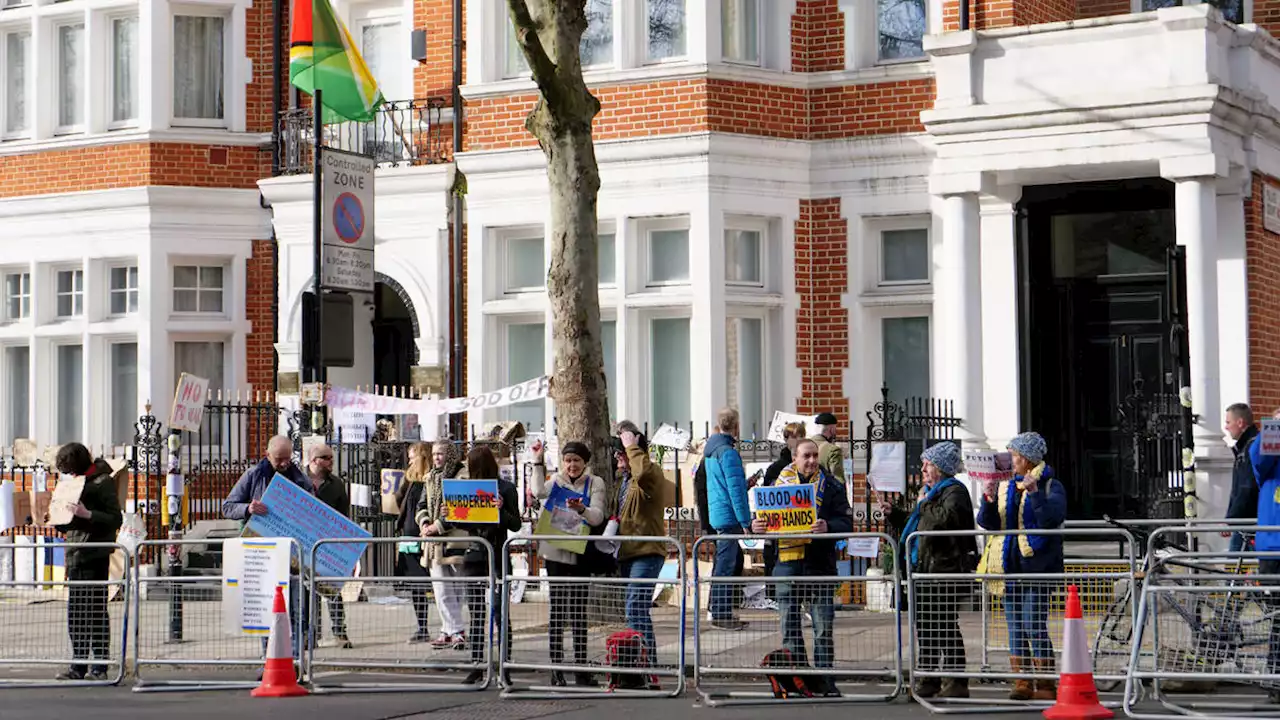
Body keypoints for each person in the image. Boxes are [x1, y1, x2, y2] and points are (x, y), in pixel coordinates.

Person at [752, 438, 852, 697]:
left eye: (814, 456)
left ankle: (826, 682)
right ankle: (799, 681)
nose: (811, 461)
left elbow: (846, 521)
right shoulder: (778, 486)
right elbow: (763, 520)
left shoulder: (831, 486)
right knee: (790, 628)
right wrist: (756, 527)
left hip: (819, 564)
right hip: (786, 563)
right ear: (794, 458)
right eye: (806, 456)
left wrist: (828, 526)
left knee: (823, 628)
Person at [882, 441, 977, 700]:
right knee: (925, 627)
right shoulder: (933, 492)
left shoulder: (954, 491)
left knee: (943, 626)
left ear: (941, 468)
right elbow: (922, 526)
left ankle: (956, 680)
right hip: (925, 569)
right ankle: (929, 679)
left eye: (929, 464)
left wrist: (923, 504)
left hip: (944, 570)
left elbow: (944, 521)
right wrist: (896, 514)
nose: (923, 468)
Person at [977, 432, 1067, 702]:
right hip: (1009, 564)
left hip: (1037, 565)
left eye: (1015, 455)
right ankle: (1022, 681)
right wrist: (988, 501)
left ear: (1027, 460)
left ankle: (1046, 683)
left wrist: (1035, 494)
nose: (1011, 460)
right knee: (1015, 625)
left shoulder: (1051, 484)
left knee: (1033, 623)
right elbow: (990, 524)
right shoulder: (1005, 485)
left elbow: (1050, 519)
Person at [221, 435, 313, 661]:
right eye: (278, 459)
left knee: (296, 612)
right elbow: (227, 507)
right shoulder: (254, 475)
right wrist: (248, 508)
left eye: (287, 459)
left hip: (292, 554)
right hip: (263, 555)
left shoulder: (300, 478)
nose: (283, 464)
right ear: (267, 454)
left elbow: (312, 508)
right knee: (267, 611)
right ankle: (271, 660)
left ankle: (296, 662)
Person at [532, 440, 606, 687]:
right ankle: (556, 669)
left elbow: (597, 517)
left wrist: (582, 509)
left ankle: (581, 670)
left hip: (579, 553)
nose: (571, 465)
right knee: (557, 612)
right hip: (555, 553)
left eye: (576, 460)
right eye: (567, 460)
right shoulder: (557, 481)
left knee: (578, 613)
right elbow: (537, 491)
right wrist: (537, 461)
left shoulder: (595, 483)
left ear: (585, 462)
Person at [53, 443, 124, 681]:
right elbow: (69, 523)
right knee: (76, 613)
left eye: (71, 470)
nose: (70, 475)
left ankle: (100, 666)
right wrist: (56, 517)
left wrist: (88, 514)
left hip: (95, 553)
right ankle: (78, 665)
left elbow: (115, 518)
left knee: (94, 611)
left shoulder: (102, 482)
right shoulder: (72, 483)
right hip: (75, 553)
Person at [455, 445, 522, 685]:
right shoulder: (467, 489)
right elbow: (464, 523)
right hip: (475, 554)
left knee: (499, 613)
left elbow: (515, 524)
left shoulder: (506, 489)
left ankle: (505, 667)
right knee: (477, 613)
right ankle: (477, 665)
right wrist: (451, 513)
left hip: (497, 553)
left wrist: (501, 509)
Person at [615, 421, 668, 668]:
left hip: (647, 551)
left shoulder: (651, 473)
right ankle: (640, 662)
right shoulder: (624, 481)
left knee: (635, 607)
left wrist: (632, 447)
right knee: (635, 610)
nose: (618, 459)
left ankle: (646, 665)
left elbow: (643, 473)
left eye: (621, 454)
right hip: (628, 552)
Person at [414, 440, 468, 650]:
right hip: (434, 543)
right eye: (434, 453)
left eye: (441, 453)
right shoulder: (430, 477)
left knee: (456, 589)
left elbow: (460, 508)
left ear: (450, 455)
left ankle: (453, 630)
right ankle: (452, 631)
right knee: (441, 589)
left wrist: (438, 526)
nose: (436, 457)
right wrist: (425, 522)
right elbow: (421, 505)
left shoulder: (461, 476)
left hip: (454, 540)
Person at [704, 407, 751, 631]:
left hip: (718, 512)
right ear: (736, 426)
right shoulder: (728, 452)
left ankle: (717, 609)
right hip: (729, 515)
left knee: (722, 564)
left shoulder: (712, 451)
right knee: (726, 565)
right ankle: (720, 612)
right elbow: (735, 491)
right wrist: (746, 521)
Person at [306, 443, 352, 649]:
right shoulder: (298, 480)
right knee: (306, 593)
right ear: (314, 460)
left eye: (332, 458)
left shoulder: (336, 484)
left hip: (327, 544)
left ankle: (340, 632)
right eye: (326, 458)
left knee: (332, 590)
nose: (331, 462)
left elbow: (344, 516)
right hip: (303, 544)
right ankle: (310, 634)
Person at [1251, 407, 1280, 703]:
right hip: (1274, 545)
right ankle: (1277, 677)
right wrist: (1274, 428)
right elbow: (1259, 463)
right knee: (1279, 617)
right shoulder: (1270, 451)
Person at [760, 422, 808, 596]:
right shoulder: (776, 468)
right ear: (786, 439)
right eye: (793, 436)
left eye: (800, 436)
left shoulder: (812, 467)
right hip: (782, 526)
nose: (797, 440)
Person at [394, 442, 435, 644]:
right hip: (409, 537)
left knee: (436, 584)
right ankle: (422, 627)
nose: (409, 461)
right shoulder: (409, 481)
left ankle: (452, 629)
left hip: (426, 537)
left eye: (413, 457)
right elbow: (399, 501)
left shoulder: (431, 481)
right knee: (416, 586)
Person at [1224, 403, 1259, 552]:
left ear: (1240, 422)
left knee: (1234, 567)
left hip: (1247, 521)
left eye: (1228, 422)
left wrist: (1231, 519)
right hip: (1247, 519)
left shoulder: (1250, 448)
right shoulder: (1246, 447)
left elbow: (1246, 487)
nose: (1226, 427)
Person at [809, 412, 846, 483]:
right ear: (831, 429)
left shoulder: (802, 446)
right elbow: (838, 479)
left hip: (806, 491)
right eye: (835, 429)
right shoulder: (833, 450)